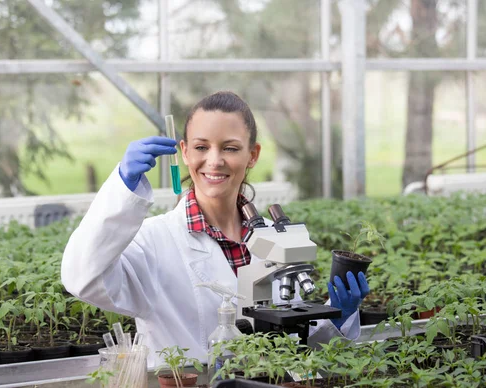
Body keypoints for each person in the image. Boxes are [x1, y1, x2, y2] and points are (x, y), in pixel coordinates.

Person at [61, 91, 370, 368]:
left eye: (230, 148)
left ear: (253, 155)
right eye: (201, 147)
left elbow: (300, 348)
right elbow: (83, 278)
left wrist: (338, 318)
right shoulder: (154, 241)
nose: (214, 160)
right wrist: (121, 189)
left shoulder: (274, 241)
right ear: (184, 152)